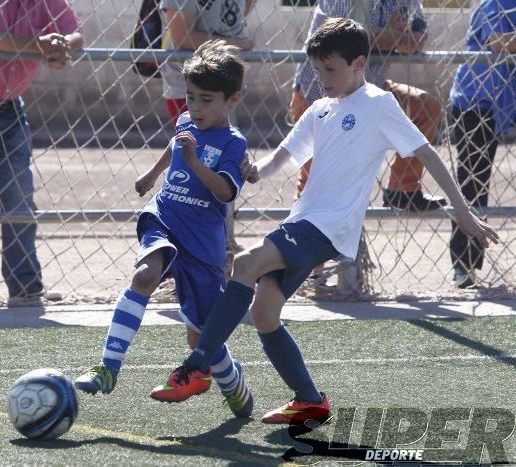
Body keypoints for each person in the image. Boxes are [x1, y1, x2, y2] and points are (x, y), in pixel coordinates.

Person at [149, 18, 499, 424]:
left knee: (244, 263)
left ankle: (197, 366)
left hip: (329, 227)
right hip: (307, 222)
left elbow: (426, 154)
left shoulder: (378, 103)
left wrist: (462, 210)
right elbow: (284, 155)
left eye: (331, 69)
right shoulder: (320, 110)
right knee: (264, 314)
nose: (323, 78)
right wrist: (254, 169)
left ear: (359, 63)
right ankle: (309, 399)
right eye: (317, 70)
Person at [75, 40, 254, 418]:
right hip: (165, 217)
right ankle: (108, 367)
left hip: (202, 241)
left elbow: (224, 192)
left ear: (233, 99)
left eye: (206, 99)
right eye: (190, 97)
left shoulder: (233, 143)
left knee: (202, 334)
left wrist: (194, 162)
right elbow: (176, 143)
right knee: (144, 276)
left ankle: (233, 382)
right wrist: (153, 173)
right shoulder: (186, 122)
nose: (195, 107)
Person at [0, 0, 83, 300]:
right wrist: (42, 48)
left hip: (11, 108)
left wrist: (62, 47)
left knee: (20, 198)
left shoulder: (43, 1)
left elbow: (74, 33)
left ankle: (25, 286)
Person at [291, 0, 446, 212]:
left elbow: (419, 39)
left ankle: (403, 190)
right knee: (316, 188)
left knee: (425, 107)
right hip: (320, 92)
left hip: (370, 89)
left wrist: (384, 35)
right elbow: (345, 43)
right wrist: (396, 36)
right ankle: (300, 231)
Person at [449, 0, 515, 289]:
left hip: (504, 101)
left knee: (475, 182)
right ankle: (464, 265)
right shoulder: (498, 3)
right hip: (476, 102)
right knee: (472, 183)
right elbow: (499, 43)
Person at [159, 0, 255, 122]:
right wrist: (238, 45)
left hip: (229, 80)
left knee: (227, 139)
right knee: (197, 140)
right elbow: (183, 37)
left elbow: (235, 15)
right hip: (191, 86)